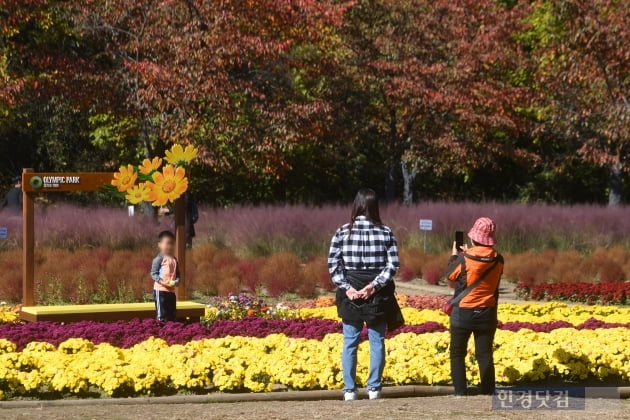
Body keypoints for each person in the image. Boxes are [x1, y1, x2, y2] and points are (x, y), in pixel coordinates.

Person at [328, 188, 400, 401]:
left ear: (357, 205)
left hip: (351, 290)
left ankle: (350, 390)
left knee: (350, 341)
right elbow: (393, 264)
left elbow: (333, 264)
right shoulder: (385, 232)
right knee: (377, 340)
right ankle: (374, 388)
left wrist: (347, 288)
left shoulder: (342, 232)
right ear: (375, 207)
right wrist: (374, 286)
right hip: (377, 293)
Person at [445, 217, 504, 396]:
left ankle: (461, 392)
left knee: (457, 353)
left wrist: (455, 255)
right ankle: (488, 391)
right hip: (487, 313)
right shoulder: (499, 260)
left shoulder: (464, 258)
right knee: (484, 353)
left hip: (463, 313)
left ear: (473, 237)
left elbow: (450, 277)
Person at [150, 230, 180, 322]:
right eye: (167, 243)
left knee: (172, 314)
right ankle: (160, 330)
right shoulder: (159, 258)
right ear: (160, 244)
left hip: (171, 291)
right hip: (160, 290)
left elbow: (178, 274)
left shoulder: (174, 259)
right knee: (161, 314)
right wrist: (162, 281)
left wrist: (177, 281)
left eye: (171, 244)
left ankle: (172, 331)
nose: (169, 246)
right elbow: (153, 273)